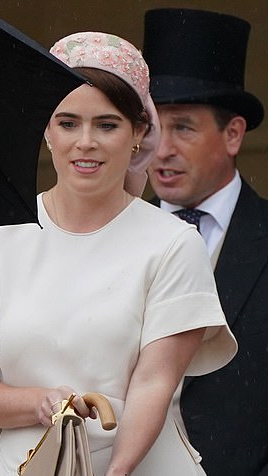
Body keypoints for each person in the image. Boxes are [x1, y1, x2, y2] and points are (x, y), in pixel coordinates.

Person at [0, 32, 237, 476]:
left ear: (139, 133)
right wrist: (41, 402)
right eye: (68, 123)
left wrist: (116, 472)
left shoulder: (172, 242)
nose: (85, 141)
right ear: (46, 131)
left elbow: (155, 381)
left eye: (106, 125)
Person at [142, 8, 268, 476]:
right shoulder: (112, 236)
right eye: (154, 127)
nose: (163, 148)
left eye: (184, 127)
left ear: (233, 133)